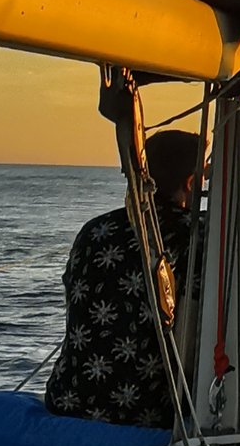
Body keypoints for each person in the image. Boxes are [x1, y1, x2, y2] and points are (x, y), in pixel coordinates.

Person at [44, 130, 202, 427]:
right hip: (147, 412)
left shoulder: (94, 230)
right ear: (191, 182)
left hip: (69, 399)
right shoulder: (196, 236)